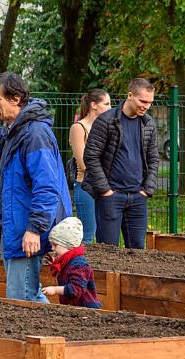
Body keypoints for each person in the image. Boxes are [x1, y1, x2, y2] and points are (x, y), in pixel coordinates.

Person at [0, 72, 72, 302]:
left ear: (15, 99)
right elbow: (10, 184)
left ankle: (50, 337)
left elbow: (46, 187)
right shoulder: (11, 132)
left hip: (27, 229)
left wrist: (34, 229)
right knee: (28, 294)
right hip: (15, 227)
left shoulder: (34, 134)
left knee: (21, 299)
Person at [82, 78, 159, 248]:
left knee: (137, 251)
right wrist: (105, 190)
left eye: (150, 102)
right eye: (143, 101)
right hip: (111, 198)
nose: (146, 106)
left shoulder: (148, 124)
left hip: (138, 197)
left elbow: (153, 158)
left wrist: (147, 190)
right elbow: (91, 156)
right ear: (130, 95)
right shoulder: (106, 121)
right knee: (109, 252)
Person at [69, 89, 111, 244]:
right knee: (88, 234)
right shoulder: (78, 128)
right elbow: (83, 163)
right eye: (106, 104)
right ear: (94, 105)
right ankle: (80, 267)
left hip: (105, 186)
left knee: (105, 235)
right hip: (86, 186)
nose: (110, 108)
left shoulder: (106, 127)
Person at [41, 217, 102, 308]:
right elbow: (68, 272)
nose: (52, 248)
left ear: (67, 245)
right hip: (74, 308)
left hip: (87, 309)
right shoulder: (70, 261)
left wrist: (55, 289)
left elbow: (76, 289)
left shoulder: (79, 265)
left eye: (55, 245)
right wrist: (56, 263)